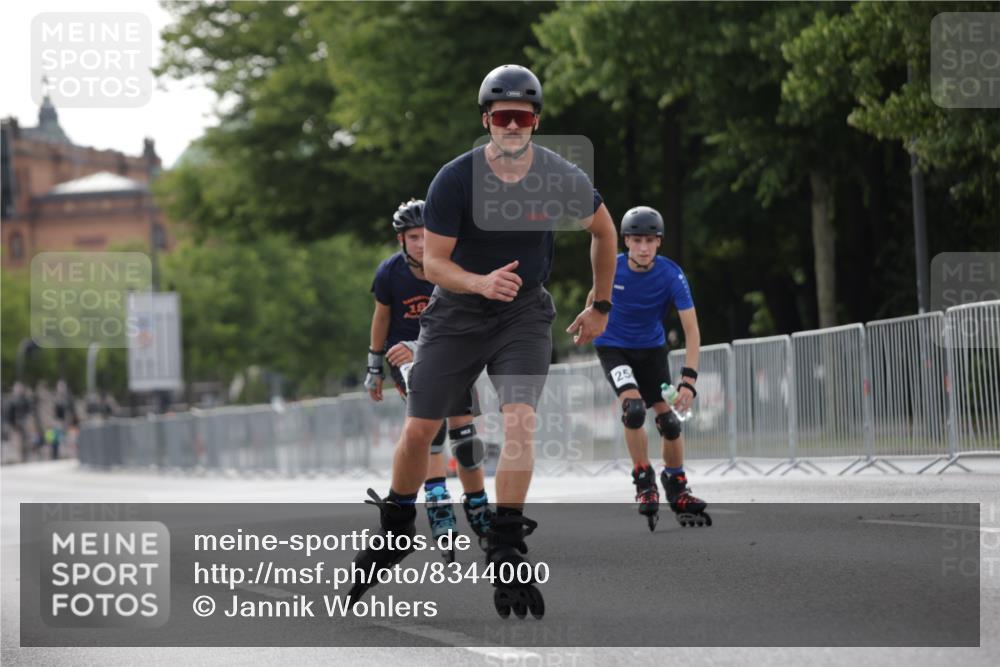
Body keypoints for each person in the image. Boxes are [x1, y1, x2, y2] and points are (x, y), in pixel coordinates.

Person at [350, 64, 618, 619]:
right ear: (486, 121)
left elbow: (604, 230)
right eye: (502, 117)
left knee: (519, 420)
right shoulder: (455, 180)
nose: (512, 126)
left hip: (523, 313)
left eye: (521, 116)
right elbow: (434, 263)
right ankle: (397, 524)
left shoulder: (558, 175)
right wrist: (479, 283)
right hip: (457, 313)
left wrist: (600, 304)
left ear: (535, 121)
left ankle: (505, 543)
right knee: (421, 430)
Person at [364, 199, 493, 554]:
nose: (422, 244)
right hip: (405, 359)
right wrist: (374, 365)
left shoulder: (454, 267)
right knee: (431, 429)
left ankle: (478, 507)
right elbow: (381, 318)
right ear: (401, 240)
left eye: (427, 235)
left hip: (449, 352)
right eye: (413, 237)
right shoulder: (390, 273)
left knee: (465, 438)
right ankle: (438, 502)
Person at [591, 206, 711, 530]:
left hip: (652, 349)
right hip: (613, 346)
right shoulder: (612, 267)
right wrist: (587, 323)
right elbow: (593, 301)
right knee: (633, 410)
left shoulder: (672, 274)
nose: (643, 248)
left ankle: (677, 485)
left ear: (659, 242)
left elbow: (692, 331)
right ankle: (644, 481)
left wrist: (688, 382)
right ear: (626, 241)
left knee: (669, 421)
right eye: (636, 240)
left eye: (650, 240)